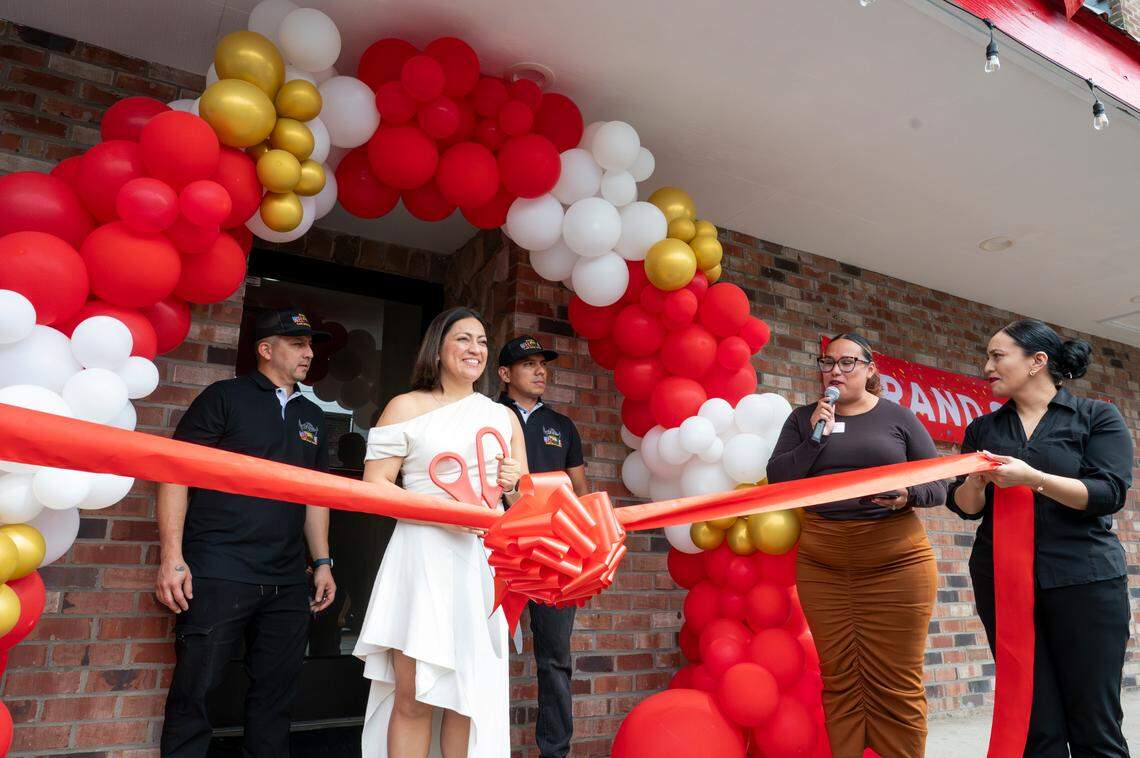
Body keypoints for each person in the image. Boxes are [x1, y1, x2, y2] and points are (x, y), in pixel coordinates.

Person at [157, 308, 337, 757]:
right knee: (195, 694)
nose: (308, 352)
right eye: (297, 343)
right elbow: (174, 473)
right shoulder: (224, 397)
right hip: (220, 569)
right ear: (265, 349)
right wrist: (172, 556)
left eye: (310, 344)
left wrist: (322, 562)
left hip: (287, 579)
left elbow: (318, 495)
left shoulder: (313, 416)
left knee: (276, 701)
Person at [948, 319, 1133, 756]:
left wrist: (1034, 479)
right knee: (1033, 718)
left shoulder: (1096, 416)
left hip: (1084, 581)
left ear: (1037, 362)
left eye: (997, 356)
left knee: (1094, 720)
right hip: (1004, 582)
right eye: (988, 357)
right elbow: (966, 507)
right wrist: (974, 481)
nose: (986, 366)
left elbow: (1108, 494)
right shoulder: (983, 429)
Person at [354, 307, 528, 758]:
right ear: (439, 347)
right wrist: (443, 514)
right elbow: (374, 487)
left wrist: (513, 486)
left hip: (479, 564)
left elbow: (525, 505)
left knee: (467, 700)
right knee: (414, 696)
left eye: (483, 342)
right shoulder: (404, 406)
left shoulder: (502, 417)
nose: (476, 350)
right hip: (421, 557)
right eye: (464, 339)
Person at [767, 332, 946, 758]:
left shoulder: (899, 417)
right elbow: (779, 482)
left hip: (896, 559)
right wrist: (815, 438)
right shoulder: (803, 419)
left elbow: (939, 484)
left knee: (898, 680)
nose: (835, 370)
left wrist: (909, 496)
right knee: (840, 677)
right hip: (824, 563)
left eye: (847, 362)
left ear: (870, 368)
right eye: (827, 362)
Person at [496, 336, 588, 758]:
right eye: (528, 364)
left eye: (542, 364)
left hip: (554, 555)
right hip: (493, 550)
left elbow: (581, 493)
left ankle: (556, 753)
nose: (540, 371)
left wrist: (586, 548)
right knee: (483, 652)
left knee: (555, 661)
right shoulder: (487, 418)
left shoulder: (562, 425)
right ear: (504, 374)